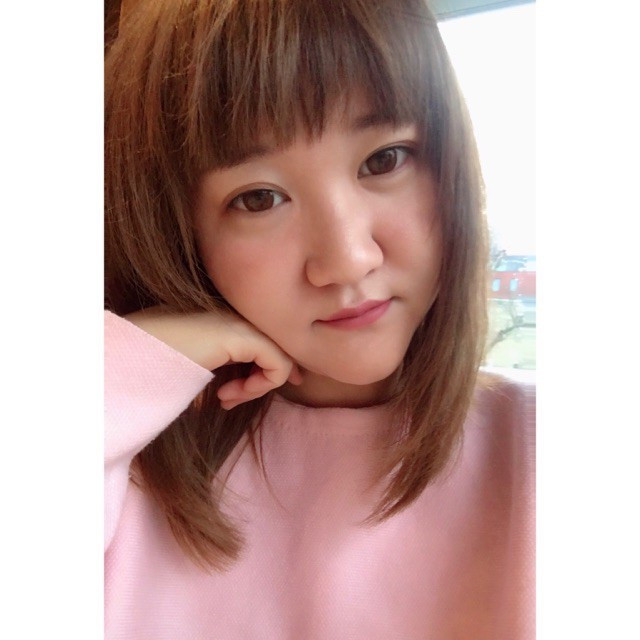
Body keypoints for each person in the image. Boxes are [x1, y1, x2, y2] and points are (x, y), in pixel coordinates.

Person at [104, 0, 535, 637]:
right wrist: (121, 368)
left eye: (384, 160)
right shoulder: (120, 464)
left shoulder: (540, 451)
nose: (347, 259)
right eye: (259, 198)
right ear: (181, 236)